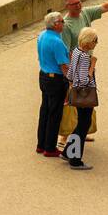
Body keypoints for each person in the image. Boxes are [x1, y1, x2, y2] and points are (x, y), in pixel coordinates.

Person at [36, 11, 70, 157]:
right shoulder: (57, 42)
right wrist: (71, 82)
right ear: (56, 24)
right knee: (54, 113)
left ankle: (41, 144)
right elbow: (63, 66)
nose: (64, 24)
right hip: (55, 79)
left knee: (45, 110)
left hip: (44, 75)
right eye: (62, 21)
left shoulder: (41, 35)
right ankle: (50, 147)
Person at [64, 28, 98, 171]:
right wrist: (93, 65)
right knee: (83, 125)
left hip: (76, 93)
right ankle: (75, 160)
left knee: (80, 124)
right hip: (85, 94)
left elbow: (71, 73)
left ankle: (68, 152)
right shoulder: (85, 56)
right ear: (89, 41)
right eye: (95, 41)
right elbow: (84, 79)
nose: (96, 44)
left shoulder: (76, 51)